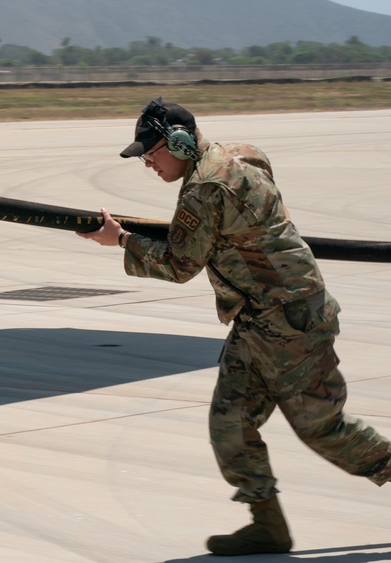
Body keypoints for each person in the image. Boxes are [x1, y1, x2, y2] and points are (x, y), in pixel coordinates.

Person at [77, 97, 391, 556]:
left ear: (182, 144)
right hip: (262, 320)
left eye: (153, 151)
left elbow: (180, 264)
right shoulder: (242, 154)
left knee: (323, 428)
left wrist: (119, 240)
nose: (148, 162)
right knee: (231, 421)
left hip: (290, 321)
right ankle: (268, 526)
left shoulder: (203, 190)